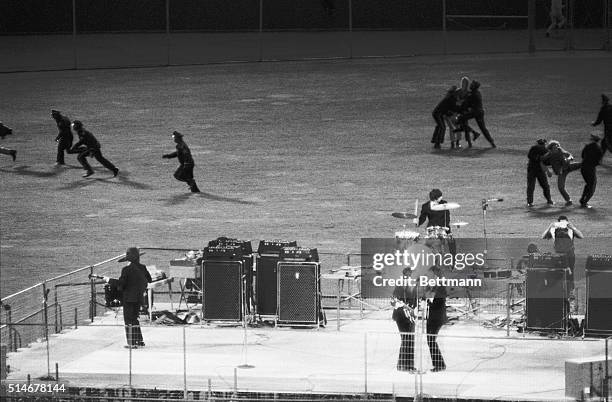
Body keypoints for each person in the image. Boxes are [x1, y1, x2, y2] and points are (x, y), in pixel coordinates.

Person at [117, 247, 152, 348]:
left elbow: (121, 285)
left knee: (128, 320)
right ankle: (139, 340)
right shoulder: (143, 267)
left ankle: (131, 343)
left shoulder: (126, 270)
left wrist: (111, 281)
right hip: (138, 298)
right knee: (135, 319)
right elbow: (149, 280)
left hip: (128, 298)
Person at [542, 216, 583, 292]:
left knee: (570, 273)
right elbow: (543, 236)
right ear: (558, 222)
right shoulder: (554, 229)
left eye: (565, 222)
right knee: (558, 272)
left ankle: (571, 291)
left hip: (570, 254)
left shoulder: (570, 229)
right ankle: (559, 290)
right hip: (558, 255)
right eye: (561, 222)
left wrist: (573, 227)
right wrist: (549, 227)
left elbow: (581, 236)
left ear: (567, 222)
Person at [391, 268, 417, 372]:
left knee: (410, 340)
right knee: (406, 339)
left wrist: (414, 310)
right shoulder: (399, 287)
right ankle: (402, 365)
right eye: (406, 276)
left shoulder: (413, 288)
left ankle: (408, 365)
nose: (408, 278)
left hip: (411, 317)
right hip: (401, 316)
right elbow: (393, 302)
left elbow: (415, 302)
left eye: (409, 276)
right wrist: (400, 304)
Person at [456, 80, 495, 148]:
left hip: (475, 112)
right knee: (483, 128)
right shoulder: (477, 93)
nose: (470, 85)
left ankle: (474, 132)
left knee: (460, 119)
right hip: (480, 112)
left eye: (472, 84)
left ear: (474, 87)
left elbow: (465, 104)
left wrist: (458, 109)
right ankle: (492, 142)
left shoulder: (471, 94)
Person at [541, 140, 581, 206]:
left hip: (568, 167)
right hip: (561, 172)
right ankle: (568, 200)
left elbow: (570, 156)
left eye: (557, 147)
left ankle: (593, 164)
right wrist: (548, 171)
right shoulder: (549, 155)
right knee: (561, 187)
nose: (556, 148)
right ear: (551, 149)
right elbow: (542, 161)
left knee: (584, 164)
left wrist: (569, 159)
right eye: (554, 147)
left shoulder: (561, 151)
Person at [424, 265, 447, 372]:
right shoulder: (433, 286)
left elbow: (438, 303)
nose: (428, 276)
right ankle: (439, 364)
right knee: (430, 341)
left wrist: (428, 301)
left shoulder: (440, 287)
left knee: (431, 340)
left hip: (437, 317)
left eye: (430, 274)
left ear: (435, 275)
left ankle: (439, 365)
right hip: (432, 317)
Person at [527, 139, 554, 207]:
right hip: (533, 170)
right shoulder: (535, 148)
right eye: (541, 144)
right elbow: (530, 156)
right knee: (532, 186)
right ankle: (530, 202)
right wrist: (541, 158)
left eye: (543, 144)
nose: (542, 146)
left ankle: (549, 200)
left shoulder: (546, 151)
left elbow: (548, 162)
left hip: (539, 170)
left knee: (544, 186)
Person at [579, 134, 603, 208]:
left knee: (588, 184)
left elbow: (582, 156)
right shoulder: (599, 149)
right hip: (590, 169)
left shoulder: (587, 147)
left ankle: (582, 199)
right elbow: (599, 162)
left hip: (583, 168)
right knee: (592, 186)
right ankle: (584, 202)